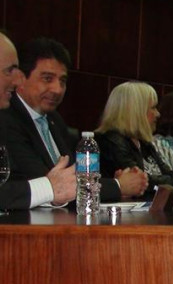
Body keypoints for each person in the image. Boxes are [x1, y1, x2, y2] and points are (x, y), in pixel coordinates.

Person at [0, 37, 146, 204]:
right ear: (22, 79)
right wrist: (118, 185)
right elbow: (48, 182)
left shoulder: (54, 120)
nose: (57, 89)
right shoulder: (7, 118)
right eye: (47, 79)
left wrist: (111, 183)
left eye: (62, 81)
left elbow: (76, 175)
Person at [0, 32, 75, 209]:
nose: (18, 79)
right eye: (10, 70)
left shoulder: (55, 120)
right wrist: (49, 188)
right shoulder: (7, 120)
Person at [96, 82, 173, 192]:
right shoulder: (111, 141)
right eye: (153, 108)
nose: (158, 114)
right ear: (136, 111)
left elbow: (169, 174)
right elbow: (141, 182)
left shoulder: (143, 142)